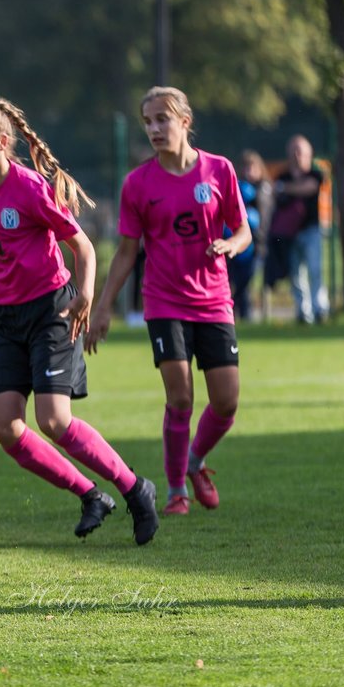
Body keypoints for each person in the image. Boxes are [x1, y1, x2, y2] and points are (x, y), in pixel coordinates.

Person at [0, 98, 160, 545]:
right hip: (2, 317)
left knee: (54, 420)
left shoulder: (28, 188)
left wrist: (86, 294)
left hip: (50, 310)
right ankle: (89, 495)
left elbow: (81, 245)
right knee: (5, 426)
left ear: (3, 143)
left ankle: (135, 487)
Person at [88, 86, 250, 517]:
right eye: (148, 121)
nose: (155, 128)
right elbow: (126, 251)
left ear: (184, 121)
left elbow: (244, 229)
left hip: (214, 301)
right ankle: (177, 488)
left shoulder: (219, 170)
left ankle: (196, 461)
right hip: (164, 301)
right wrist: (103, 306)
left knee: (227, 401)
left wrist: (231, 245)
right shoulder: (138, 183)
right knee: (180, 398)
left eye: (163, 119)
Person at [269, 135, 328, 324]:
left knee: (315, 269)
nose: (297, 155)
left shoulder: (315, 173)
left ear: (309, 154)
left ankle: (320, 309)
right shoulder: (282, 175)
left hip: (311, 230)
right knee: (295, 273)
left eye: (300, 151)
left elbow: (308, 188)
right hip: (289, 234)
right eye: (293, 151)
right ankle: (303, 312)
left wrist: (285, 188)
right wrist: (286, 188)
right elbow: (273, 194)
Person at [231, 150, 273, 321]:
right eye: (246, 167)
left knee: (246, 280)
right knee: (238, 280)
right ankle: (243, 315)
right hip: (238, 244)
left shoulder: (264, 188)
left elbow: (262, 219)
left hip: (257, 244)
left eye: (252, 167)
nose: (249, 171)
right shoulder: (238, 188)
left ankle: (241, 311)